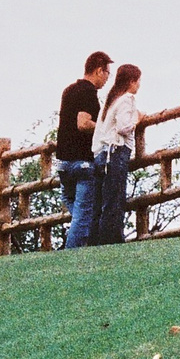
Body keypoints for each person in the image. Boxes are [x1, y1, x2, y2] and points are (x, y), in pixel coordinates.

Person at [57, 51, 110, 250]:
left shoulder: (68, 90)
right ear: (99, 71)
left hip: (63, 162)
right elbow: (83, 123)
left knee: (78, 209)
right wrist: (106, 129)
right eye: (107, 74)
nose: (106, 79)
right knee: (82, 216)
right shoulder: (88, 92)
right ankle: (71, 257)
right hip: (82, 162)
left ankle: (84, 239)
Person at [90, 63, 141, 247]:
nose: (139, 85)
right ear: (131, 82)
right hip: (116, 152)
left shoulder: (112, 101)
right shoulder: (127, 99)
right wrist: (137, 118)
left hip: (102, 154)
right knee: (115, 200)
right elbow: (123, 127)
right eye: (138, 81)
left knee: (101, 202)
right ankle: (112, 241)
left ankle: (97, 242)